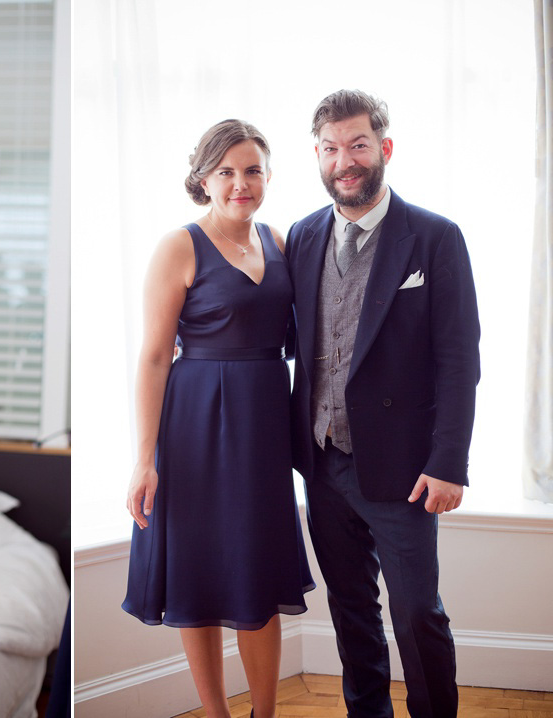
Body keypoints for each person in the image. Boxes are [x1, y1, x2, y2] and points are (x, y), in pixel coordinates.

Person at [285, 90, 480, 718]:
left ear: (384, 149)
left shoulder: (434, 237)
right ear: (317, 156)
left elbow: (459, 359)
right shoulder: (303, 235)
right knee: (351, 611)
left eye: (358, 144)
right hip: (323, 463)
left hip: (405, 470)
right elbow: (289, 338)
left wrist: (449, 461)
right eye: (331, 148)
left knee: (418, 612)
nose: (345, 160)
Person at [122, 119, 314, 718]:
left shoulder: (280, 242)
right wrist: (143, 460)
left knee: (257, 571)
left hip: (262, 424)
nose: (240, 183)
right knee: (198, 572)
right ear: (203, 179)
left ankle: (265, 713)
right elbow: (154, 356)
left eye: (252, 169)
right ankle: (217, 715)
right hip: (194, 427)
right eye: (226, 171)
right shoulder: (177, 246)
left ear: (268, 176)